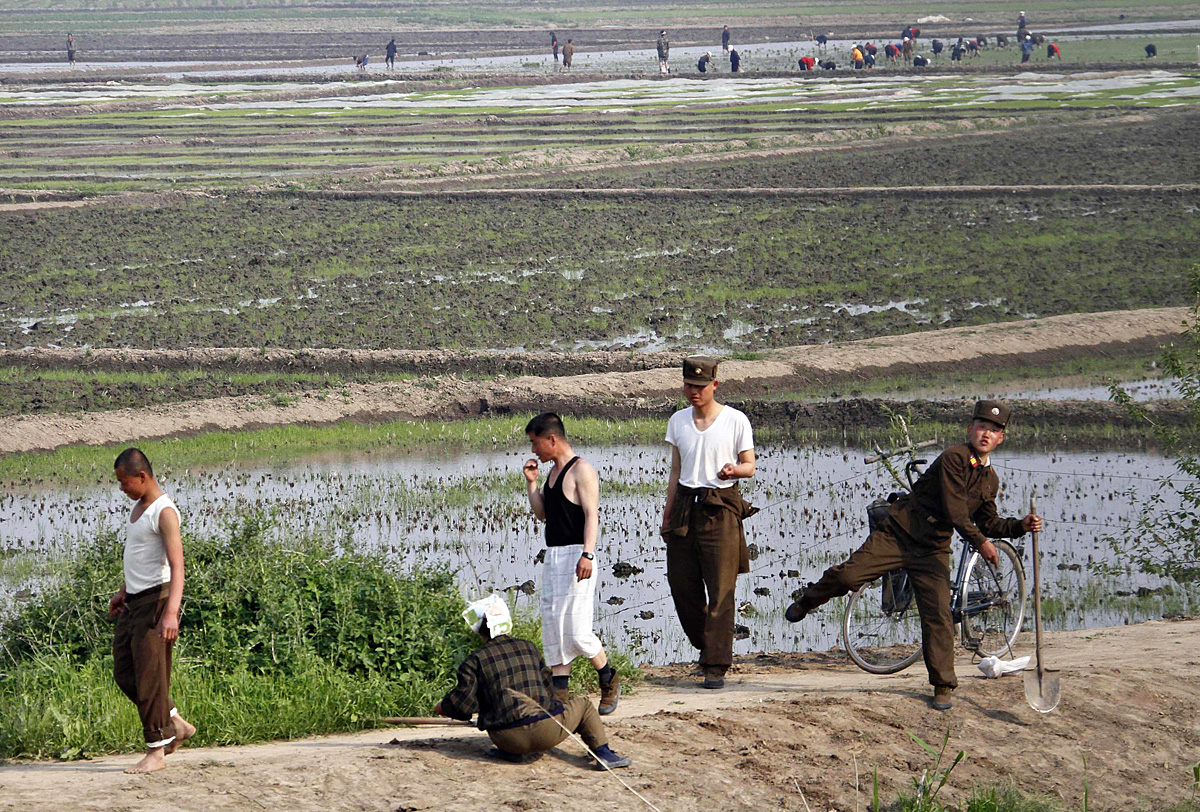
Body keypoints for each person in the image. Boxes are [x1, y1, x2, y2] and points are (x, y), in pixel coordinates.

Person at [784, 401, 1043, 711]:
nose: (986, 433)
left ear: (1002, 437)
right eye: (982, 427)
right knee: (849, 576)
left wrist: (1019, 526)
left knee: (938, 616)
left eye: (994, 430)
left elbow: (988, 521)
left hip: (933, 548)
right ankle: (808, 600)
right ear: (970, 429)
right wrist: (982, 543)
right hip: (899, 533)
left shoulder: (990, 480)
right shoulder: (954, 458)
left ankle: (943, 685)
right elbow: (955, 512)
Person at [434, 594, 632, 769]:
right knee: (585, 705)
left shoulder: (474, 660)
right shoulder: (529, 648)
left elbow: (463, 706)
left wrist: (442, 707)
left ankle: (512, 753)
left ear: (479, 631)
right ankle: (604, 754)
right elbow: (549, 691)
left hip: (506, 739)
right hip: (546, 734)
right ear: (507, 623)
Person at [661, 356, 756, 690]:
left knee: (721, 589)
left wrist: (733, 470)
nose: (693, 392)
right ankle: (709, 645)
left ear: (715, 385)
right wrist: (667, 511)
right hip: (686, 506)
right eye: (688, 385)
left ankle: (715, 665)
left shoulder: (735, 420)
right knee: (681, 584)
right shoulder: (678, 421)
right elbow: (675, 470)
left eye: (700, 386)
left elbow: (750, 466)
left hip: (721, 507)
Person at [522, 413, 620, 715]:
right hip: (553, 555)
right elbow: (543, 514)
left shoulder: (582, 470)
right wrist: (532, 484)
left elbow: (592, 515)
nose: (534, 450)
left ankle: (608, 678)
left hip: (578, 553)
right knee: (554, 626)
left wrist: (588, 554)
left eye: (535, 443)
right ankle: (560, 696)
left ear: (551, 439)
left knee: (577, 630)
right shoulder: (551, 473)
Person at [109, 448, 196, 773]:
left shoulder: (164, 511)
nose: (122, 488)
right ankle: (176, 723)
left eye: (124, 482)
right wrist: (123, 591)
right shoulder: (138, 509)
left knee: (149, 677)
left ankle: (156, 750)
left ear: (142, 476)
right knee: (125, 673)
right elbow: (139, 557)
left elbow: (177, 567)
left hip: (156, 604)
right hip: (133, 601)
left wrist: (171, 613)